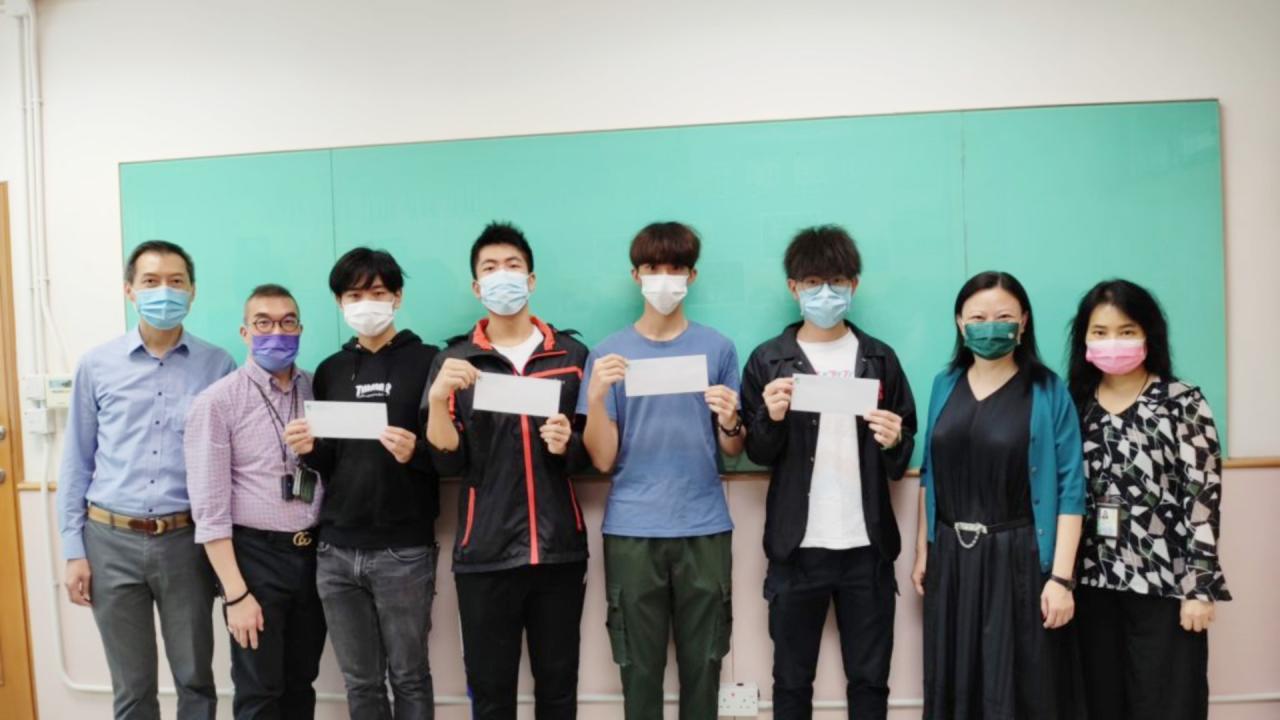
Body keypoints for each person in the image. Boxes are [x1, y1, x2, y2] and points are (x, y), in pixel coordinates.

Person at [740, 225, 916, 720]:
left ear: (853, 285)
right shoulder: (769, 360)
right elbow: (757, 452)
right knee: (792, 683)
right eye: (812, 282)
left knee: (870, 682)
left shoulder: (879, 358)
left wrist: (894, 440)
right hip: (797, 548)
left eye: (836, 281)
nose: (825, 293)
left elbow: (903, 451)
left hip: (868, 547)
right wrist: (771, 418)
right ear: (793, 287)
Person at [57, 240, 236, 720]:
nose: (164, 291)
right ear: (130, 290)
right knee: (132, 687)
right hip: (109, 540)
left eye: (176, 281)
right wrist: (74, 550)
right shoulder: (97, 364)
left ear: (192, 291)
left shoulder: (218, 365)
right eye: (151, 281)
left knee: (195, 678)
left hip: (185, 541)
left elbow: (228, 464)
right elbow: (76, 460)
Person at [425, 222, 590, 720]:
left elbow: (593, 451)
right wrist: (438, 396)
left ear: (531, 280)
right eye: (491, 268)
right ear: (477, 287)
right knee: (491, 695)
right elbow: (446, 460)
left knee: (558, 691)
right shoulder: (455, 360)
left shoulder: (571, 355)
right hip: (485, 553)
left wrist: (567, 443)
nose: (503, 276)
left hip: (559, 551)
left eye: (513, 266)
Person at [579, 221, 744, 720]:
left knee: (705, 666)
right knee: (639, 672)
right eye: (653, 268)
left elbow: (732, 449)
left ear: (692, 275)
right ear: (636, 275)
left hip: (704, 526)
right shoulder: (608, 354)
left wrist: (731, 418)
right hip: (632, 528)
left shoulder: (718, 348)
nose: (665, 279)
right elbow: (602, 459)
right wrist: (596, 397)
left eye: (676, 268)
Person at [911, 270, 1085, 719]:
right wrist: (923, 551)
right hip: (951, 559)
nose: (991, 326)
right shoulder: (944, 383)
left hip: (1020, 560)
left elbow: (1071, 490)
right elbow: (930, 473)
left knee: (1018, 685)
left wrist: (1061, 580)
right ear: (960, 322)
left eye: (1004, 316)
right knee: (955, 680)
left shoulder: (1048, 391)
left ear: (1023, 322)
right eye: (978, 317)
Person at [283, 248, 439, 720]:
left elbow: (452, 454)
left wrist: (416, 452)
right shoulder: (330, 370)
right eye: (354, 295)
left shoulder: (429, 362)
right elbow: (330, 462)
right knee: (361, 682)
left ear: (397, 297)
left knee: (409, 676)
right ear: (339, 302)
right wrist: (308, 448)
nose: (366, 303)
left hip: (404, 549)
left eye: (377, 292)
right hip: (335, 549)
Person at [1066, 279, 1229, 720]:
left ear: (1148, 335)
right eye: (1100, 332)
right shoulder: (1075, 405)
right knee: (1100, 703)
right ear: (1084, 338)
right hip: (1092, 584)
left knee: (1168, 704)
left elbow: (1203, 495)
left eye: (1126, 331)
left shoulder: (1181, 401)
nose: (1113, 342)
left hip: (1166, 585)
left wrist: (1200, 586)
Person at [185, 283, 327, 719]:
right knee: (259, 691)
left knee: (301, 683)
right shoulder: (217, 402)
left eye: (287, 322)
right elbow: (209, 511)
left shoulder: (317, 389)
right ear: (244, 333)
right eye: (263, 323)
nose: (276, 333)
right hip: (255, 560)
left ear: (300, 329)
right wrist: (236, 594)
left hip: (314, 555)